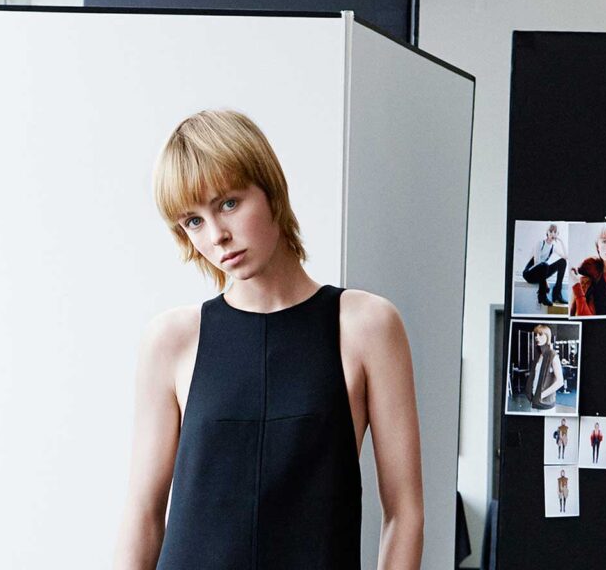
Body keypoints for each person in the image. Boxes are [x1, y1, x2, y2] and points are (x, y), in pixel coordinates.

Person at [113, 110, 423, 569]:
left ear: (271, 189)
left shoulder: (367, 326)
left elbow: (404, 513)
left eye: (228, 203)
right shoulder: (172, 340)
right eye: (193, 221)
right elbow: (143, 515)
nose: (217, 236)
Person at [569, 224, 606, 316]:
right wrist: (576, 285)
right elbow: (585, 320)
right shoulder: (588, 279)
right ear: (598, 246)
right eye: (604, 241)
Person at [522, 224, 568, 306]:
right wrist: (545, 282)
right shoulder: (540, 243)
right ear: (547, 232)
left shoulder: (553, 247)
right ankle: (542, 296)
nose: (552, 234)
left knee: (563, 262)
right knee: (544, 265)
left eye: (555, 232)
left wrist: (561, 241)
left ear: (557, 234)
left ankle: (557, 294)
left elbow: (566, 257)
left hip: (541, 274)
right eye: (550, 231)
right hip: (529, 274)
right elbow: (537, 262)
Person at [524, 325, 564, 411]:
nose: (537, 337)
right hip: (534, 402)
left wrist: (541, 395)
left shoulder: (553, 355)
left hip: (546, 404)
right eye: (536, 335)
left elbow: (560, 382)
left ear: (547, 336)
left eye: (540, 334)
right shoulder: (538, 355)